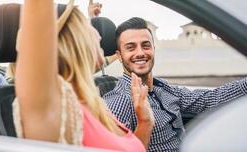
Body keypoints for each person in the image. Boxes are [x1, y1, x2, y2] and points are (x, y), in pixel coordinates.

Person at [13, 0, 154, 151]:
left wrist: (145, 123)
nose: (100, 34)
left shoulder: (94, 104)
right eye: (89, 27)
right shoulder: (53, 106)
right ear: (74, 42)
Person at [103, 17, 247, 152]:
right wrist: (144, 122)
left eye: (146, 45)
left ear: (153, 48)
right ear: (120, 56)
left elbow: (210, 98)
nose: (140, 52)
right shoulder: (118, 101)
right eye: (131, 47)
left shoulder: (165, 89)